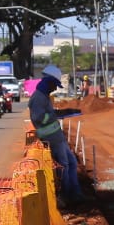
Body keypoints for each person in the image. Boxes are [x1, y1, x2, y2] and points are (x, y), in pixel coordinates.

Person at [29, 64, 86, 206]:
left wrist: (58, 113)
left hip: (57, 136)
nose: (55, 88)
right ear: (48, 82)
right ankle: (66, 195)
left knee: (72, 163)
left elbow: (48, 115)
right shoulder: (38, 98)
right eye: (54, 85)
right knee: (64, 166)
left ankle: (76, 193)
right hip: (51, 137)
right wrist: (54, 115)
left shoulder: (44, 96)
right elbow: (38, 119)